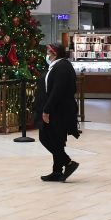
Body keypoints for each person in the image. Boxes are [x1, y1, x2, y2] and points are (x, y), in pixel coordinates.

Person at [34, 43, 80, 182]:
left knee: (46, 138)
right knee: (56, 139)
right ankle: (57, 171)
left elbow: (57, 91)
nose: (47, 54)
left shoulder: (62, 67)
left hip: (58, 110)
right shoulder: (56, 66)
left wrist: (47, 110)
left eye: (48, 51)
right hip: (56, 109)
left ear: (55, 53)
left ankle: (68, 163)